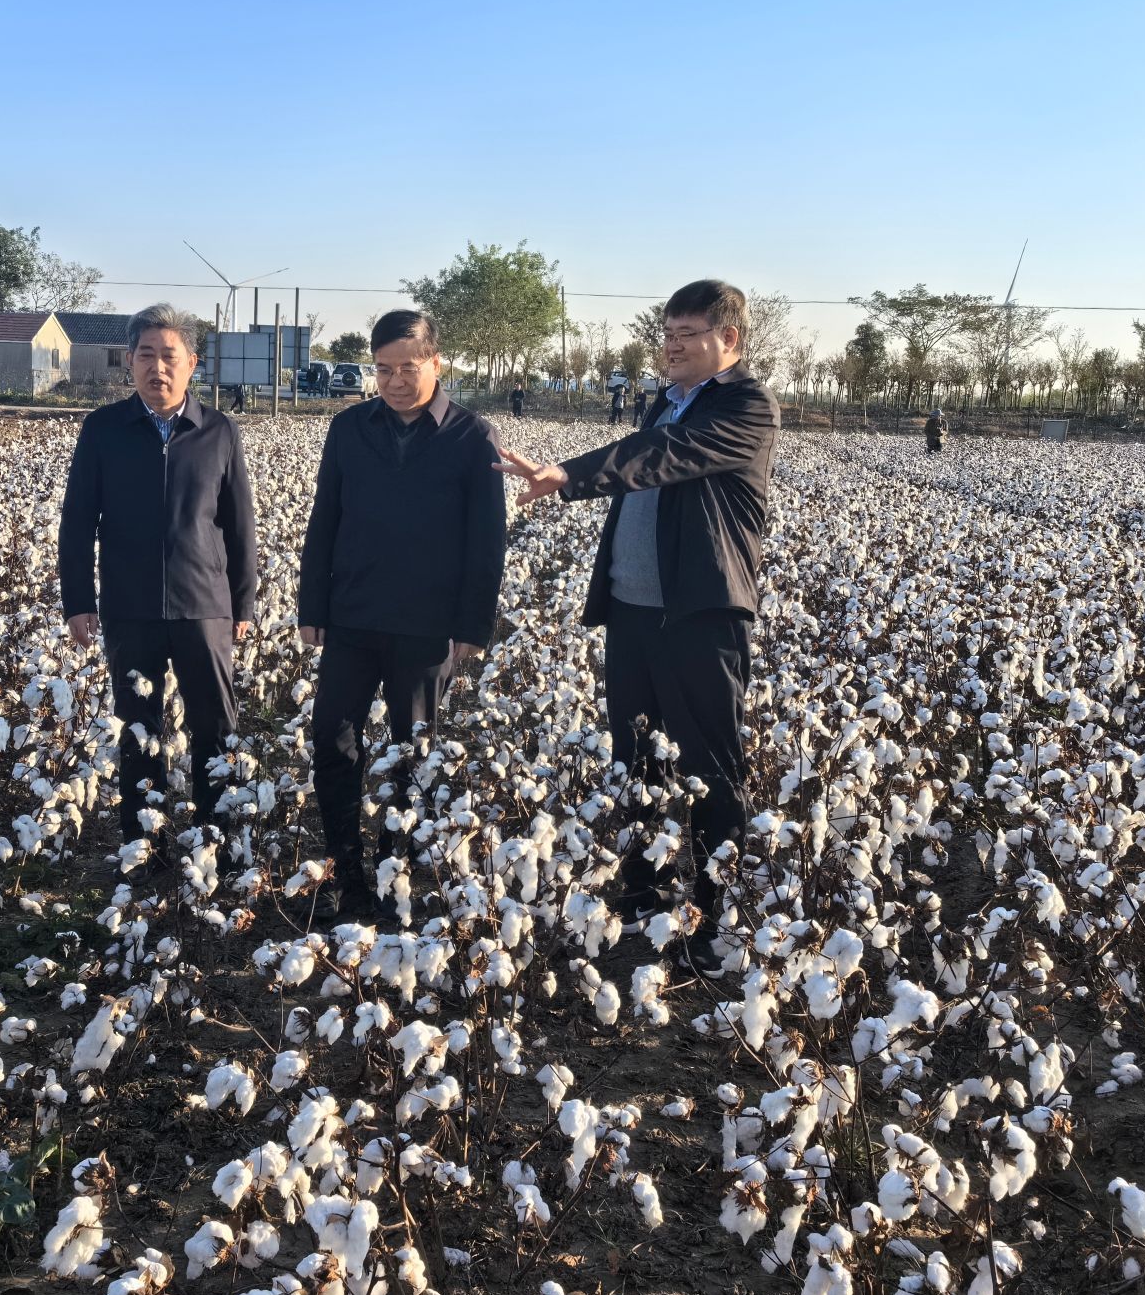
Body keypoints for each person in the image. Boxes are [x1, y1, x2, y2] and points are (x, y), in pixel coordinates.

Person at [495, 279, 779, 950]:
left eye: (686, 335)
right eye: (667, 334)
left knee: (710, 765)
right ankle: (643, 890)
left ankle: (716, 913)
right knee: (635, 757)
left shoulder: (747, 404)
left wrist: (570, 474)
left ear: (728, 338)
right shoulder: (667, 400)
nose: (671, 347)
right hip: (633, 612)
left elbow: (664, 456)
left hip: (700, 614)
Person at [298, 309, 507, 921]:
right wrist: (313, 605)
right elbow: (325, 520)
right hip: (352, 615)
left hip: (427, 623)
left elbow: (487, 539)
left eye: (407, 368)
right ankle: (344, 870)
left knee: (412, 751)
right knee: (333, 738)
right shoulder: (348, 428)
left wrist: (472, 625)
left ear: (436, 363)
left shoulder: (473, 436)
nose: (393, 381)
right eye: (382, 369)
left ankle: (398, 873)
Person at [59, 304, 258, 855]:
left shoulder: (219, 432)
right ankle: (143, 848)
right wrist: (78, 600)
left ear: (192, 363)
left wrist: (242, 604)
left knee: (214, 728)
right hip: (131, 606)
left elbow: (240, 525)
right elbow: (78, 521)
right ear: (129, 361)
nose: (157, 367)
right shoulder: (103, 430)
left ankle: (216, 845)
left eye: (170, 356)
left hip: (205, 606)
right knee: (138, 730)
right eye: (145, 354)